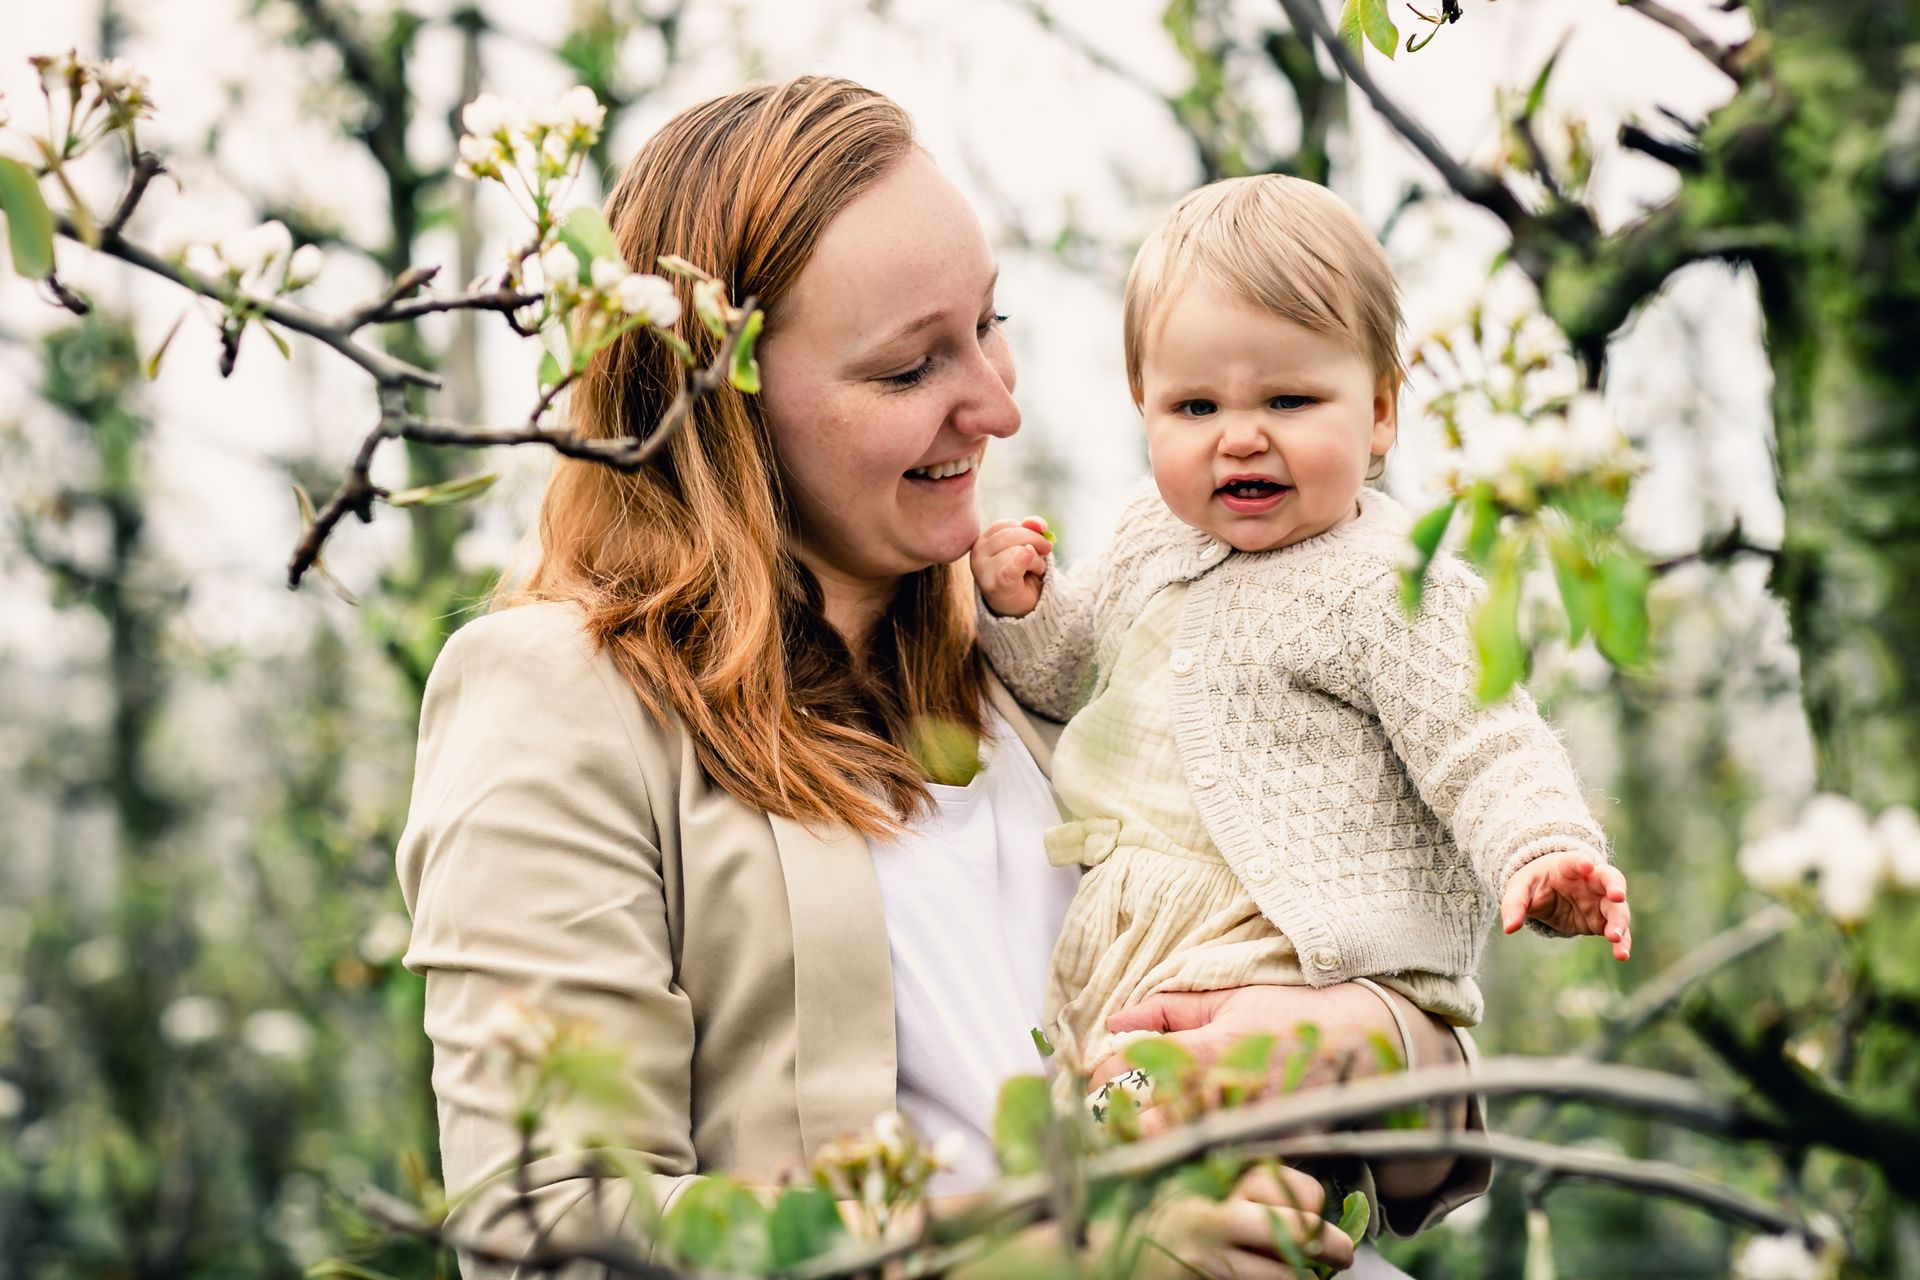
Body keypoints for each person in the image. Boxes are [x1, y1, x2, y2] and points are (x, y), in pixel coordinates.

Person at [397, 80, 1487, 1280]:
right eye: (911, 368)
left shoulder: (1039, 647)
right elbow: (552, 1230)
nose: (1000, 404)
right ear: (725, 411)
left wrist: (1369, 1040)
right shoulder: (557, 696)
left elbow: (1416, 1133)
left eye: (989, 322)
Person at [969, 174, 1633, 1087]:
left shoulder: (1393, 578)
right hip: (1124, 931)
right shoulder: (1143, 535)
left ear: (1381, 412)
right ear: (1144, 408)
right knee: (1110, 1150)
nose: (1239, 439)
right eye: (1195, 408)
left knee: (1187, 1123)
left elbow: (1484, 743)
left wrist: (1543, 849)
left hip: (1294, 948)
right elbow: (1059, 678)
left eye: (1288, 402)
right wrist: (1019, 609)